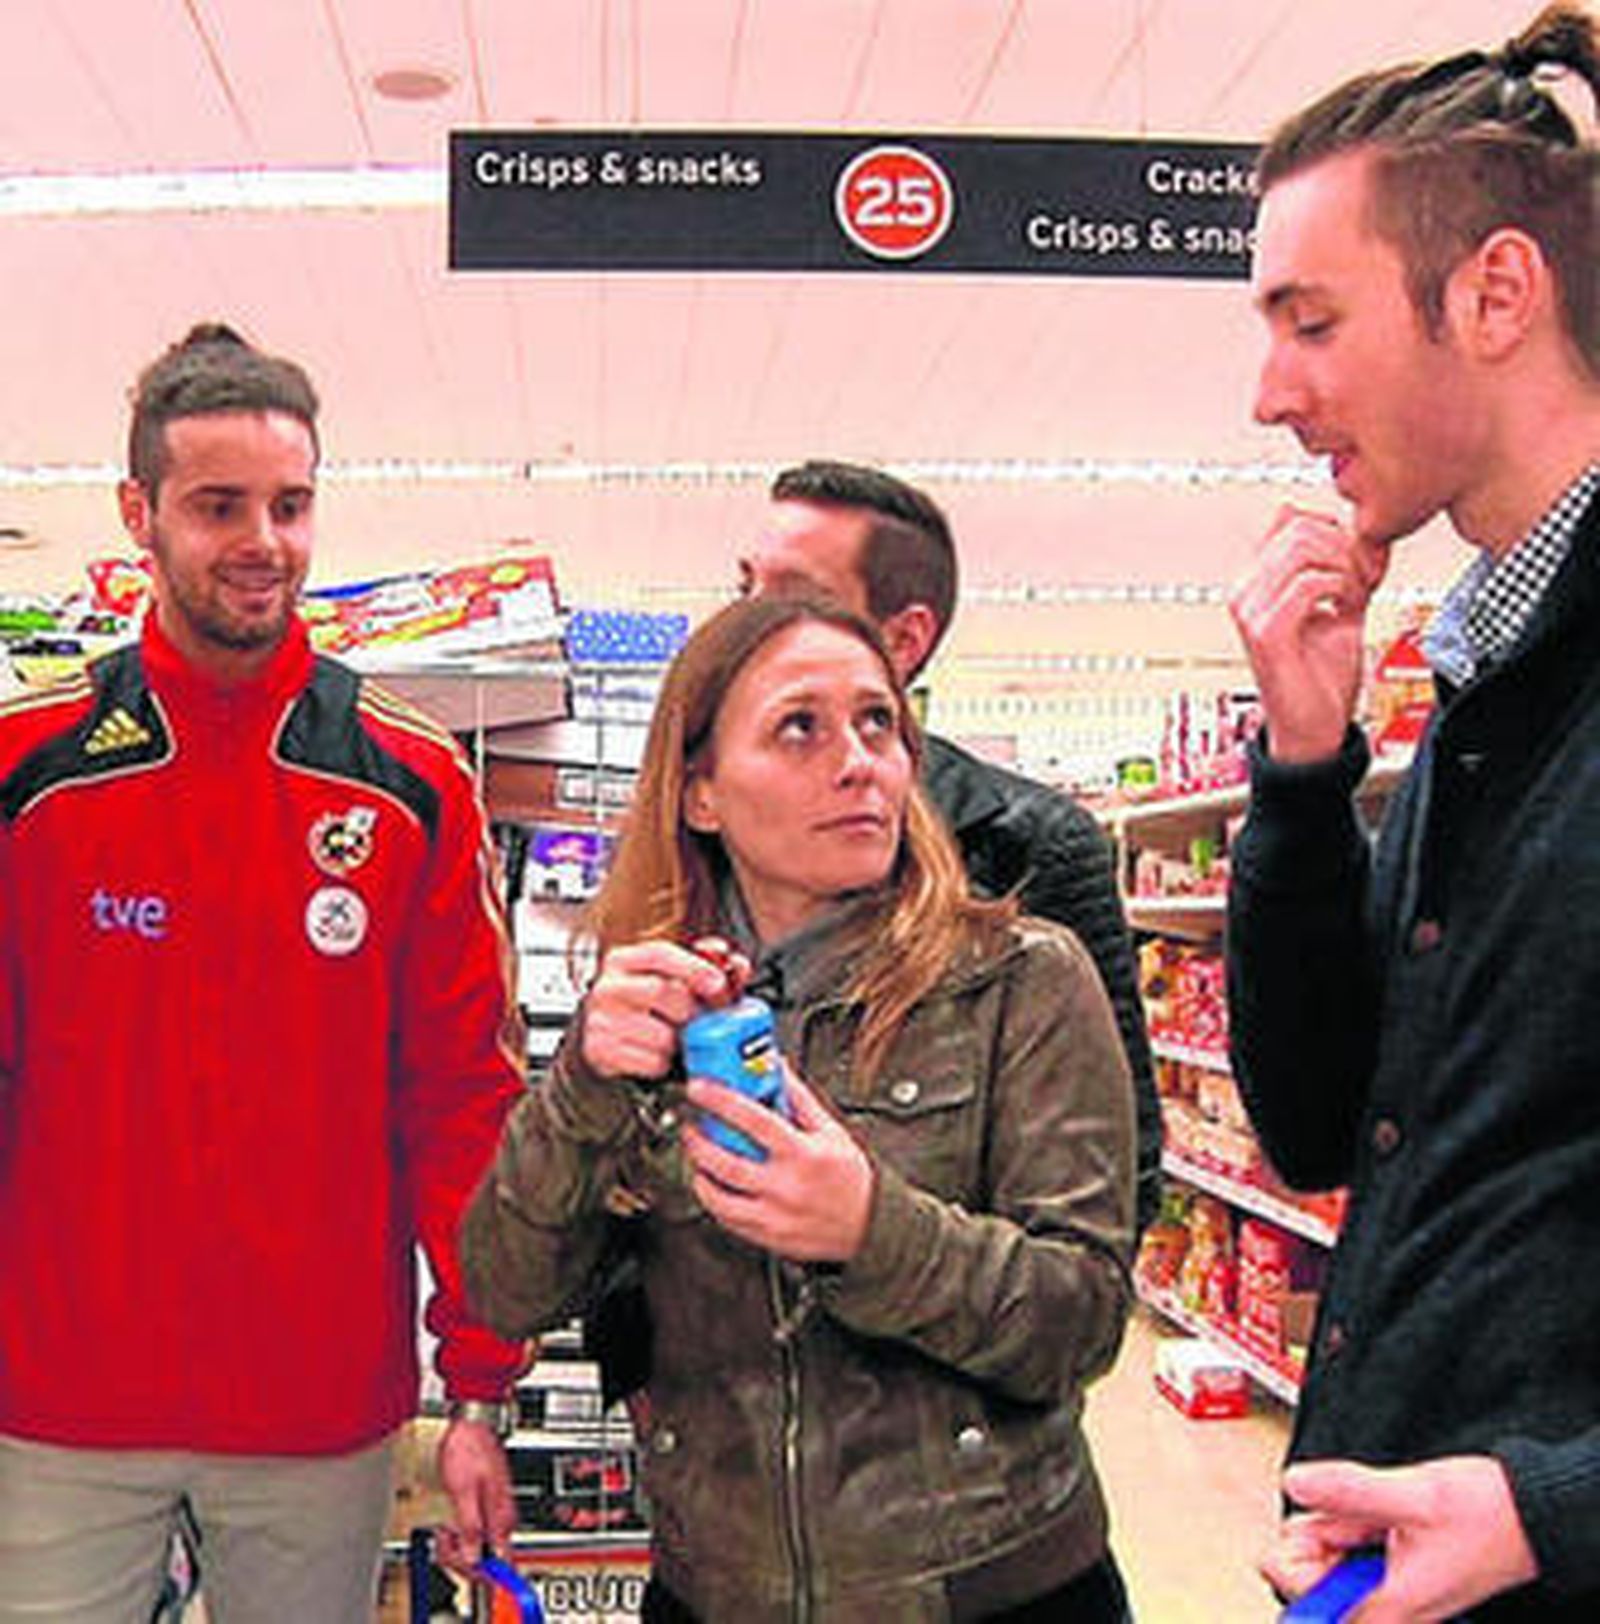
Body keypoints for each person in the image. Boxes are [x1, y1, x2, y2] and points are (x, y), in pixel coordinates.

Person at [461, 593, 1136, 1622]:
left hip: (988, 1589)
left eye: (878, 722)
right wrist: (582, 1093)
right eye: (798, 726)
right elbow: (505, 1292)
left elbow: (1078, 1317)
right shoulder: (652, 1008)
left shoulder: (1020, 980)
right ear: (699, 792)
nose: (859, 760)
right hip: (713, 1591)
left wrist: (871, 1233)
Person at [0, 324, 529, 1622]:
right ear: (140, 514)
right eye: (219, 506)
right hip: (57, 1400)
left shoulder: (409, 786)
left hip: (316, 1409)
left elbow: (464, 1100)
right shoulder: (30, 774)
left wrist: (478, 1384)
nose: (264, 542)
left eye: (291, 506)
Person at [1226, 7, 1600, 1619]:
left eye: (1312, 321)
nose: (1268, 392)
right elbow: (1322, 1125)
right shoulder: (1483, 692)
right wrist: (1308, 779)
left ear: (1497, 294)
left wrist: (1553, 1509)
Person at [740, 460, 1161, 1236]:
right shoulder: (700, 830)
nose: (746, 623)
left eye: (793, 597)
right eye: (745, 587)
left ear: (904, 640)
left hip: (934, 1346)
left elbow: (1118, 1177)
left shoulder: (1027, 843)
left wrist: (876, 1238)